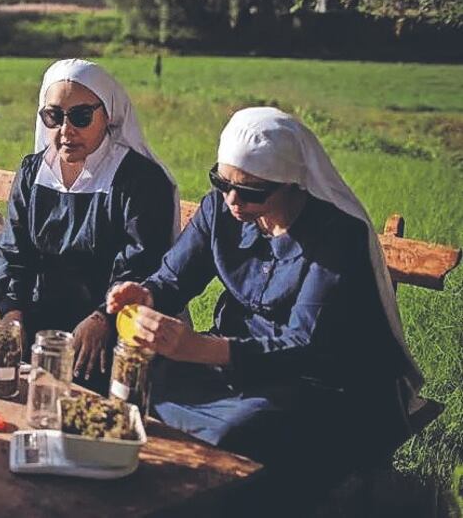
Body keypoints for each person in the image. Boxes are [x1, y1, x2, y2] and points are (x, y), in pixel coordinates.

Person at [107, 107, 425, 472]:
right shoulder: (220, 210)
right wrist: (146, 294)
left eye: (250, 192)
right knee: (135, 385)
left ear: (290, 183)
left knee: (234, 431)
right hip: (234, 361)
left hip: (317, 380)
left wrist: (199, 348)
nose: (232, 200)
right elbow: (174, 278)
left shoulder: (337, 237)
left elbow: (303, 345)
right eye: (222, 182)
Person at [0, 59, 181, 392]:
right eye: (53, 116)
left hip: (109, 331)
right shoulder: (33, 172)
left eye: (80, 116)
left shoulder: (140, 181)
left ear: (108, 115)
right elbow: (14, 248)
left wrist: (104, 317)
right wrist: (12, 312)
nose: (65, 130)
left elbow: (143, 264)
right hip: (38, 323)